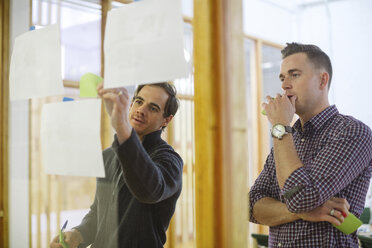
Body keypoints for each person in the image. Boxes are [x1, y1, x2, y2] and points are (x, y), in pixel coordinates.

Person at [249, 42, 372, 247]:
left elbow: (301, 198)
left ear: (322, 80)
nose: (285, 85)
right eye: (282, 77)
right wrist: (304, 213)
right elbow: (252, 205)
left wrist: (280, 125)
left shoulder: (353, 132)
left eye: (294, 75)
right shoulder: (289, 138)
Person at [50, 82, 183, 248]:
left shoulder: (170, 160)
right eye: (139, 101)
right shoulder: (108, 156)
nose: (141, 110)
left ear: (166, 120)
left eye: (153, 108)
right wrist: (78, 234)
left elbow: (149, 190)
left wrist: (122, 128)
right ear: (131, 104)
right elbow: (99, 213)